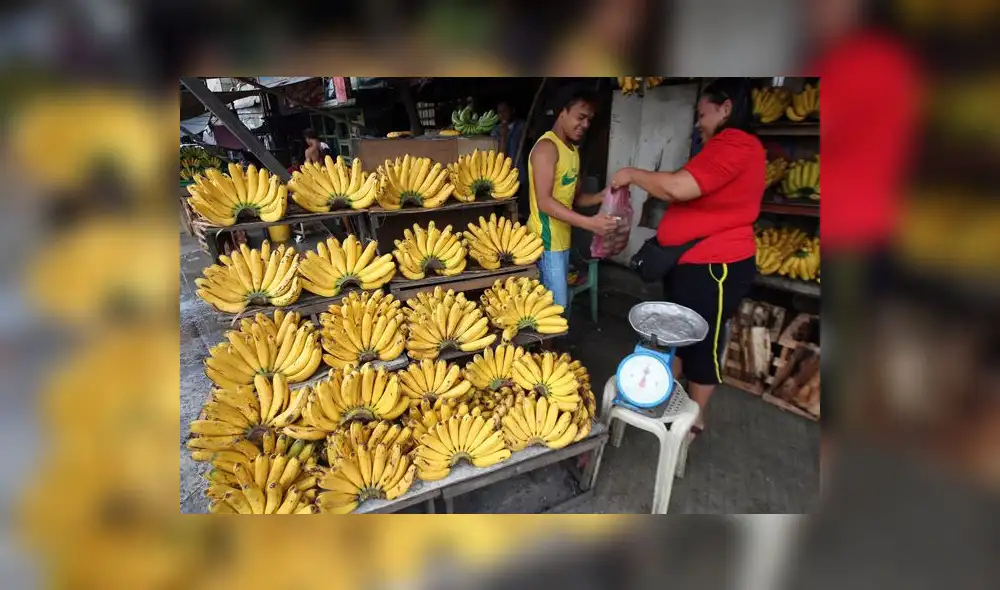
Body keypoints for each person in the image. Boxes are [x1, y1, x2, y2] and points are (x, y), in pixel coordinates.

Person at [610, 78, 764, 433]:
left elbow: (679, 187)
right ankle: (663, 396)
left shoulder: (736, 142)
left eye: (703, 113)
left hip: (717, 267)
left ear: (726, 108)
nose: (698, 122)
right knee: (677, 336)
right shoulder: (722, 146)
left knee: (703, 343)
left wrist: (632, 173)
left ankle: (693, 421)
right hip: (694, 264)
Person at [528, 85, 619, 309]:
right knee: (555, 310)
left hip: (562, 241)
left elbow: (574, 199)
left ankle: (555, 345)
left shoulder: (573, 151)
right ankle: (554, 346)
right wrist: (590, 223)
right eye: (580, 117)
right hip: (546, 242)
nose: (585, 124)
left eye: (589, 119)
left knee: (558, 308)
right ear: (562, 112)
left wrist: (601, 196)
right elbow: (545, 202)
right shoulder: (547, 148)